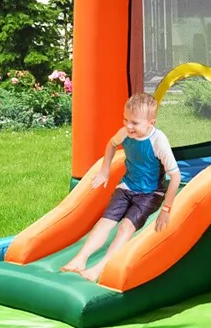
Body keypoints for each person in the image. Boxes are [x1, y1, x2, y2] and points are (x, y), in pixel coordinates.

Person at [61, 92, 180, 282]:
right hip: (126, 187)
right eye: (125, 120)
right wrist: (104, 170)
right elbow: (111, 144)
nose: (128, 126)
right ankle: (80, 260)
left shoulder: (158, 141)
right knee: (104, 223)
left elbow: (175, 175)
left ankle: (100, 267)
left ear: (151, 122)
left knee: (125, 227)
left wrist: (166, 208)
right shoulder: (125, 133)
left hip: (150, 193)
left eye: (134, 123)